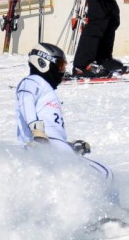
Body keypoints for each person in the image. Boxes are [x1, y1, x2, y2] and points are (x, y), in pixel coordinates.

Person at [15, 43, 115, 194]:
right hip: (44, 143)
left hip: (51, 144)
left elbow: (51, 126)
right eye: (60, 65)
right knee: (103, 173)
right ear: (43, 62)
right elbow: (25, 102)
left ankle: (81, 213)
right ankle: (109, 211)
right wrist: (37, 132)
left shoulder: (46, 90)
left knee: (69, 184)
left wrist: (69, 146)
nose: (62, 71)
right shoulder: (32, 81)